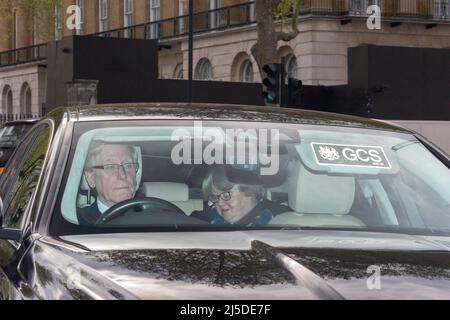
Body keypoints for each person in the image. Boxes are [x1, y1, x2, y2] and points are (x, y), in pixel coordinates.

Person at [192, 166, 289, 226]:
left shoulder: (276, 220)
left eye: (226, 194)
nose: (219, 203)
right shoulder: (207, 217)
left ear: (248, 190)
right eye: (215, 197)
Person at [77, 141, 139, 225]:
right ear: (91, 178)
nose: (123, 175)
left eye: (128, 165)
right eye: (110, 167)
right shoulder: (77, 223)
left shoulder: (154, 217)